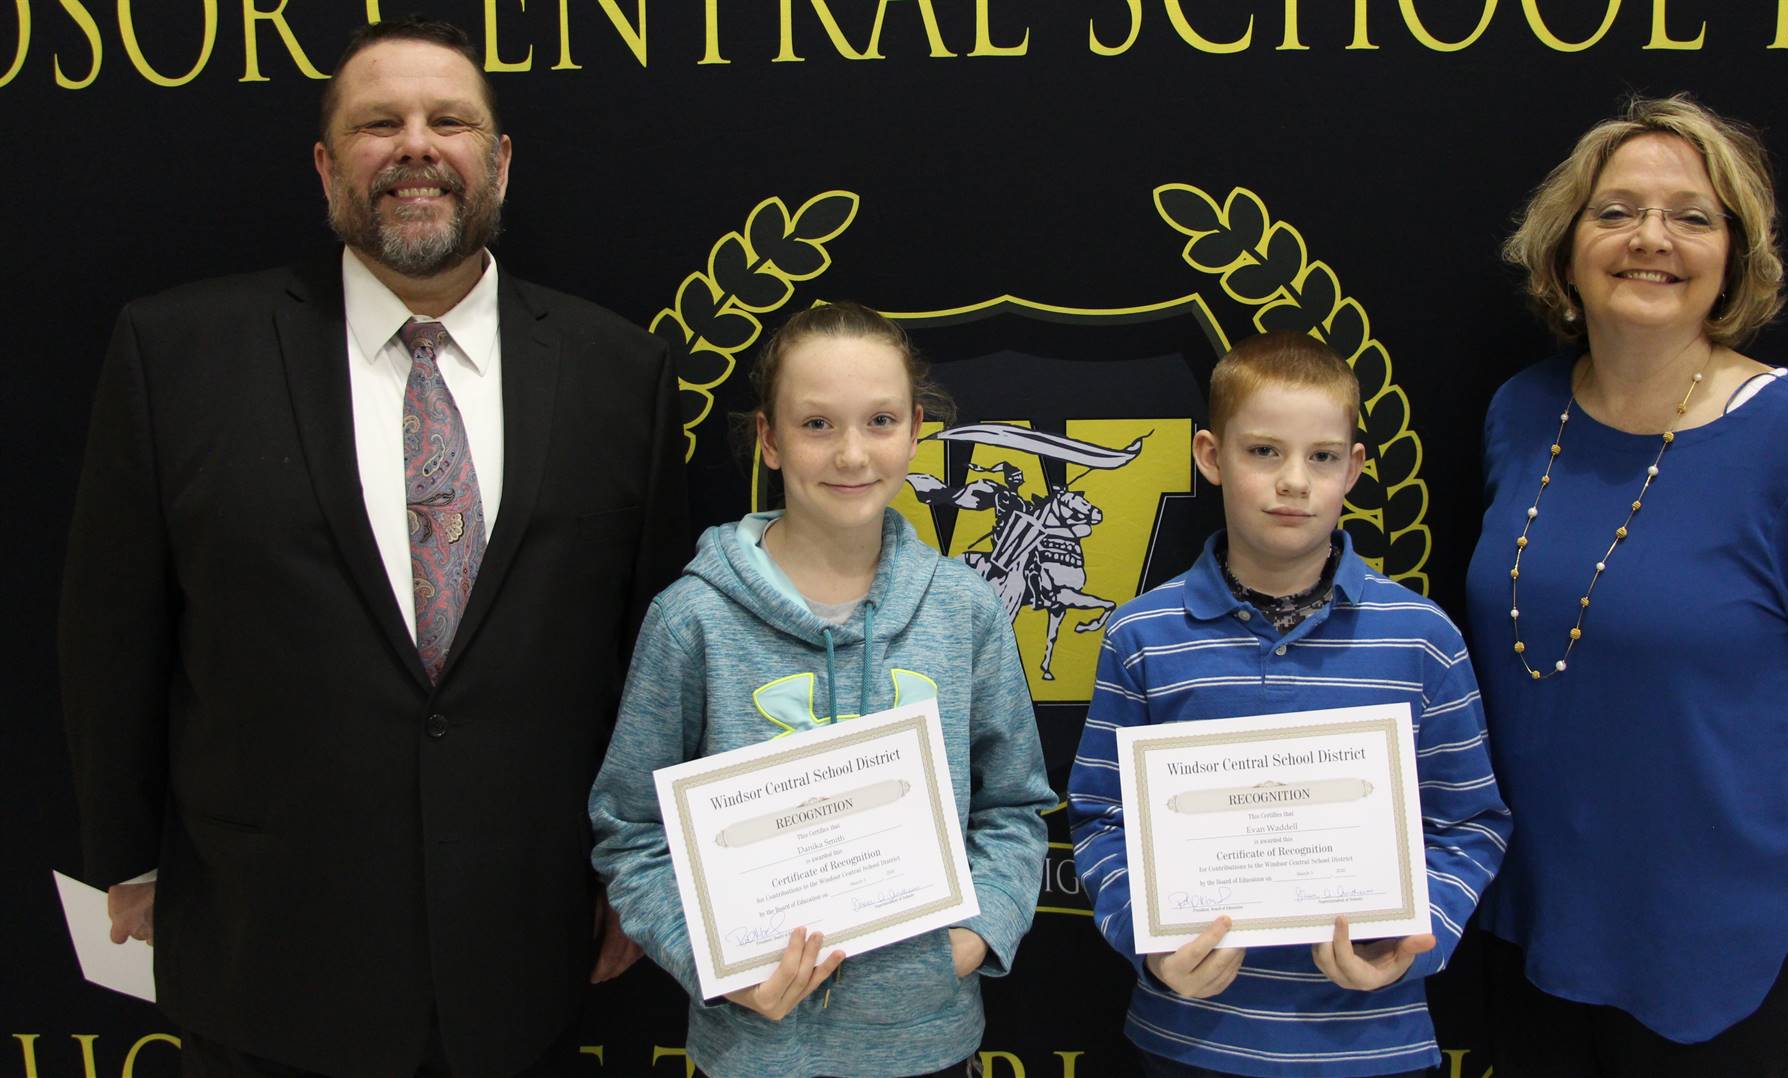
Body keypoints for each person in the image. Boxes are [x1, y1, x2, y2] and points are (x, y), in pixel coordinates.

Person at [57, 16, 686, 1077]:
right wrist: (127, 858)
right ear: (325, 164)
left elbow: (653, 656)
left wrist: (645, 876)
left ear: (500, 160)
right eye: (377, 123)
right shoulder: (176, 354)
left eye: (449, 121)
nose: (415, 146)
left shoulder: (620, 373)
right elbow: (112, 630)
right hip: (264, 954)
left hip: (524, 958)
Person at [1466, 94, 1788, 1077]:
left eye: (1692, 217)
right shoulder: (1521, 414)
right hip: (1533, 926)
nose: (1651, 238)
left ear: (1735, 259)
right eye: (1616, 211)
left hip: (1717, 954)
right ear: (1565, 249)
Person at [589, 302, 1054, 1078]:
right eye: (816, 425)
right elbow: (631, 831)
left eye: (880, 421)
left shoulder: (965, 610)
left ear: (915, 431)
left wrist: (970, 939)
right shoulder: (693, 620)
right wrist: (717, 965)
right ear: (769, 439)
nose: (851, 453)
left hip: (928, 1043)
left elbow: (1013, 805)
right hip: (753, 1051)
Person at [1068, 330, 1510, 1077]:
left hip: (1374, 1044)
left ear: (1355, 468)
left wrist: (1410, 941)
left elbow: (1468, 822)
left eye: (1323, 457)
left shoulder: (1422, 638)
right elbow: (1100, 817)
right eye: (1264, 451)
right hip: (1191, 1040)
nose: (1294, 481)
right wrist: (1151, 941)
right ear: (1211, 456)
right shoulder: (1142, 636)